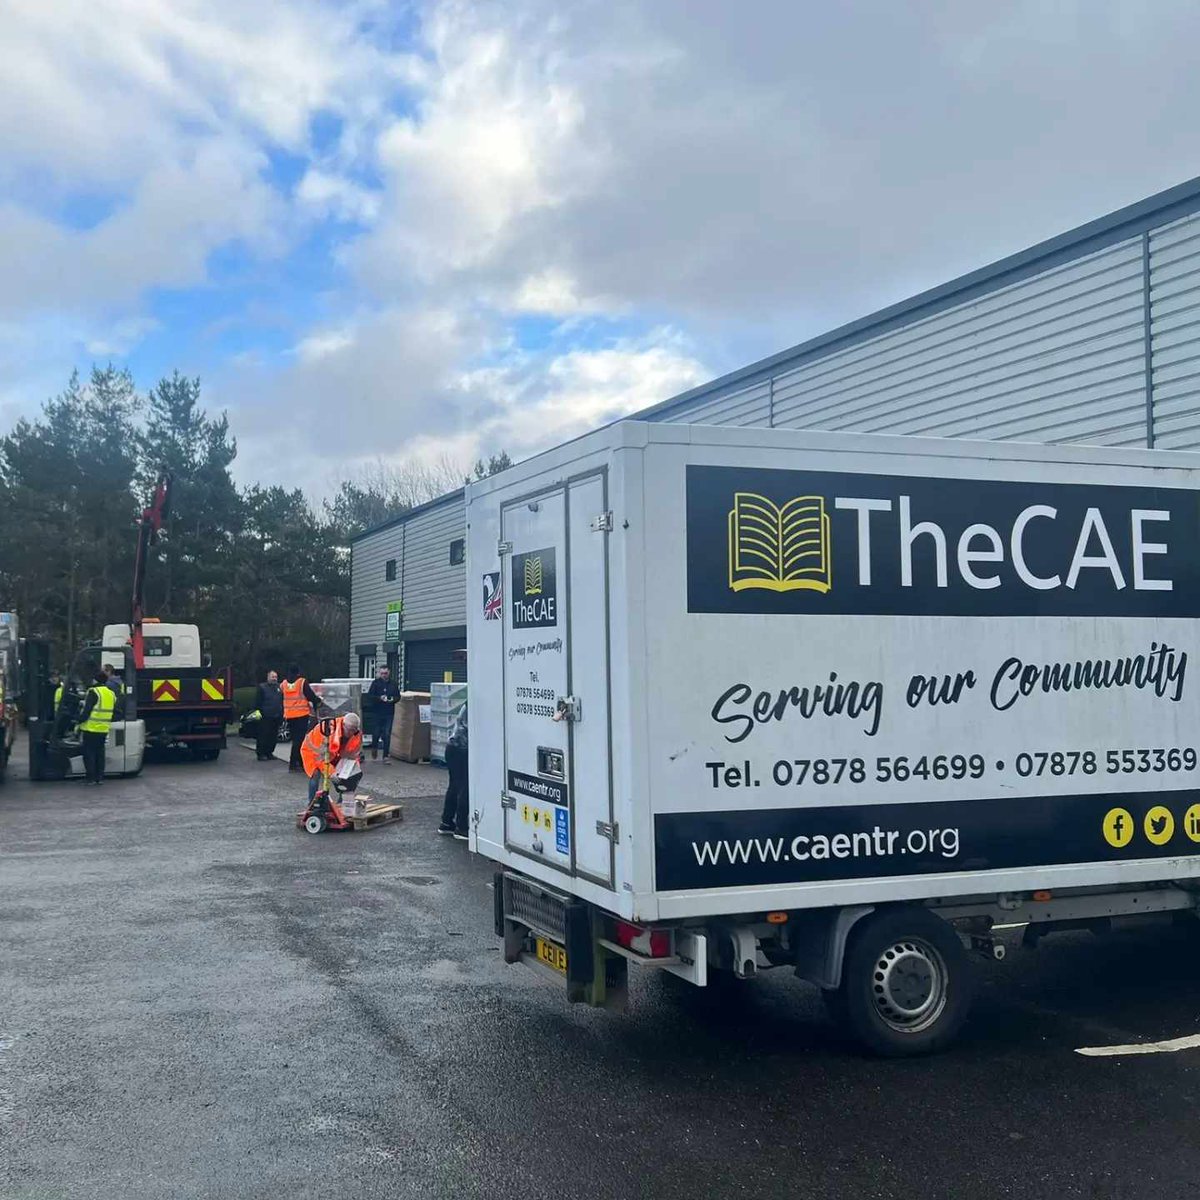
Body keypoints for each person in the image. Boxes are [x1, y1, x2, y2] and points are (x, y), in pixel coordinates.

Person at [300, 711, 363, 804]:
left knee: (347, 776)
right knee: (315, 774)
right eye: (349, 729)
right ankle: (312, 804)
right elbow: (319, 758)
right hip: (312, 752)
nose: (351, 733)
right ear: (343, 724)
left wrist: (353, 768)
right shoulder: (327, 730)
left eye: (354, 730)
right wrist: (332, 772)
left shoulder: (356, 734)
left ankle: (341, 805)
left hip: (333, 754)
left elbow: (352, 755)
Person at [76, 670, 115, 786]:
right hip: (103, 729)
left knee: (89, 754)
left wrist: (78, 719)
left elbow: (87, 711)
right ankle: (100, 777)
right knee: (100, 754)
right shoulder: (111, 693)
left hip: (91, 728)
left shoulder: (93, 692)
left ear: (95, 680)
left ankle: (90, 778)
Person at [438, 700, 469, 840]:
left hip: (453, 747)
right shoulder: (474, 706)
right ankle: (461, 828)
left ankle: (446, 822)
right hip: (462, 749)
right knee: (465, 787)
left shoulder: (467, 704)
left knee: (455, 786)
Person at [282, 666, 321, 772]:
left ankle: (296, 762)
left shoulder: (284, 684)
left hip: (289, 715)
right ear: (298, 672)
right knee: (300, 740)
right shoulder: (301, 682)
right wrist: (318, 701)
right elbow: (311, 696)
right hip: (301, 715)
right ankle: (294, 763)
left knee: (295, 740)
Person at [365, 666, 399, 762]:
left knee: (387, 734)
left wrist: (393, 699)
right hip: (377, 712)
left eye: (386, 673)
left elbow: (398, 696)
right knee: (376, 733)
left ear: (389, 673)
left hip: (389, 712)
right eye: (382, 673)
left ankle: (385, 756)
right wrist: (379, 698)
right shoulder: (375, 683)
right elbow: (370, 696)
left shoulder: (393, 684)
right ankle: (374, 747)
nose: (384, 675)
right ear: (380, 673)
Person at [255, 669, 284, 761]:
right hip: (265, 716)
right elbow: (258, 702)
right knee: (263, 735)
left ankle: (269, 752)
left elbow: (281, 701)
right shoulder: (262, 687)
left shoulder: (279, 688)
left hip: (276, 715)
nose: (274, 679)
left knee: (273, 736)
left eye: (275, 677)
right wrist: (259, 712)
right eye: (272, 677)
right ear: (268, 677)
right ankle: (261, 754)